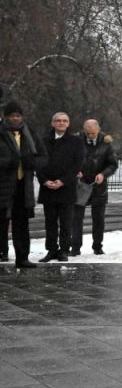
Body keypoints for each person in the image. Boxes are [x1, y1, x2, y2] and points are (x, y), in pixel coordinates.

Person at [1, 102, 45, 268]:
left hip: (22, 186)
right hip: (3, 186)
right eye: (12, 116)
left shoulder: (29, 133)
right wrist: (8, 162)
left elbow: (43, 156)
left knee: (21, 224)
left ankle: (22, 258)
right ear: (6, 117)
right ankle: (2, 253)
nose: (15, 119)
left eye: (18, 115)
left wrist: (31, 162)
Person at [36, 112, 84, 263]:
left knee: (65, 222)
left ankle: (64, 250)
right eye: (58, 121)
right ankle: (51, 250)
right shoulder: (43, 141)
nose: (61, 123)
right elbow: (38, 163)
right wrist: (44, 181)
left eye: (64, 121)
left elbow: (77, 165)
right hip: (48, 187)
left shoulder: (76, 142)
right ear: (53, 123)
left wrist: (62, 181)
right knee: (50, 222)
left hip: (66, 188)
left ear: (68, 124)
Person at [75, 119, 117, 255]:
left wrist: (103, 174)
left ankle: (97, 246)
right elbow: (70, 159)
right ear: (83, 130)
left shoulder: (106, 143)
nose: (90, 136)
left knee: (98, 219)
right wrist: (75, 171)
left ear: (98, 130)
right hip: (80, 185)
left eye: (93, 133)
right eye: (87, 133)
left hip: (99, 186)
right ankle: (75, 247)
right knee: (76, 218)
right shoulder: (76, 140)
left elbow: (112, 164)